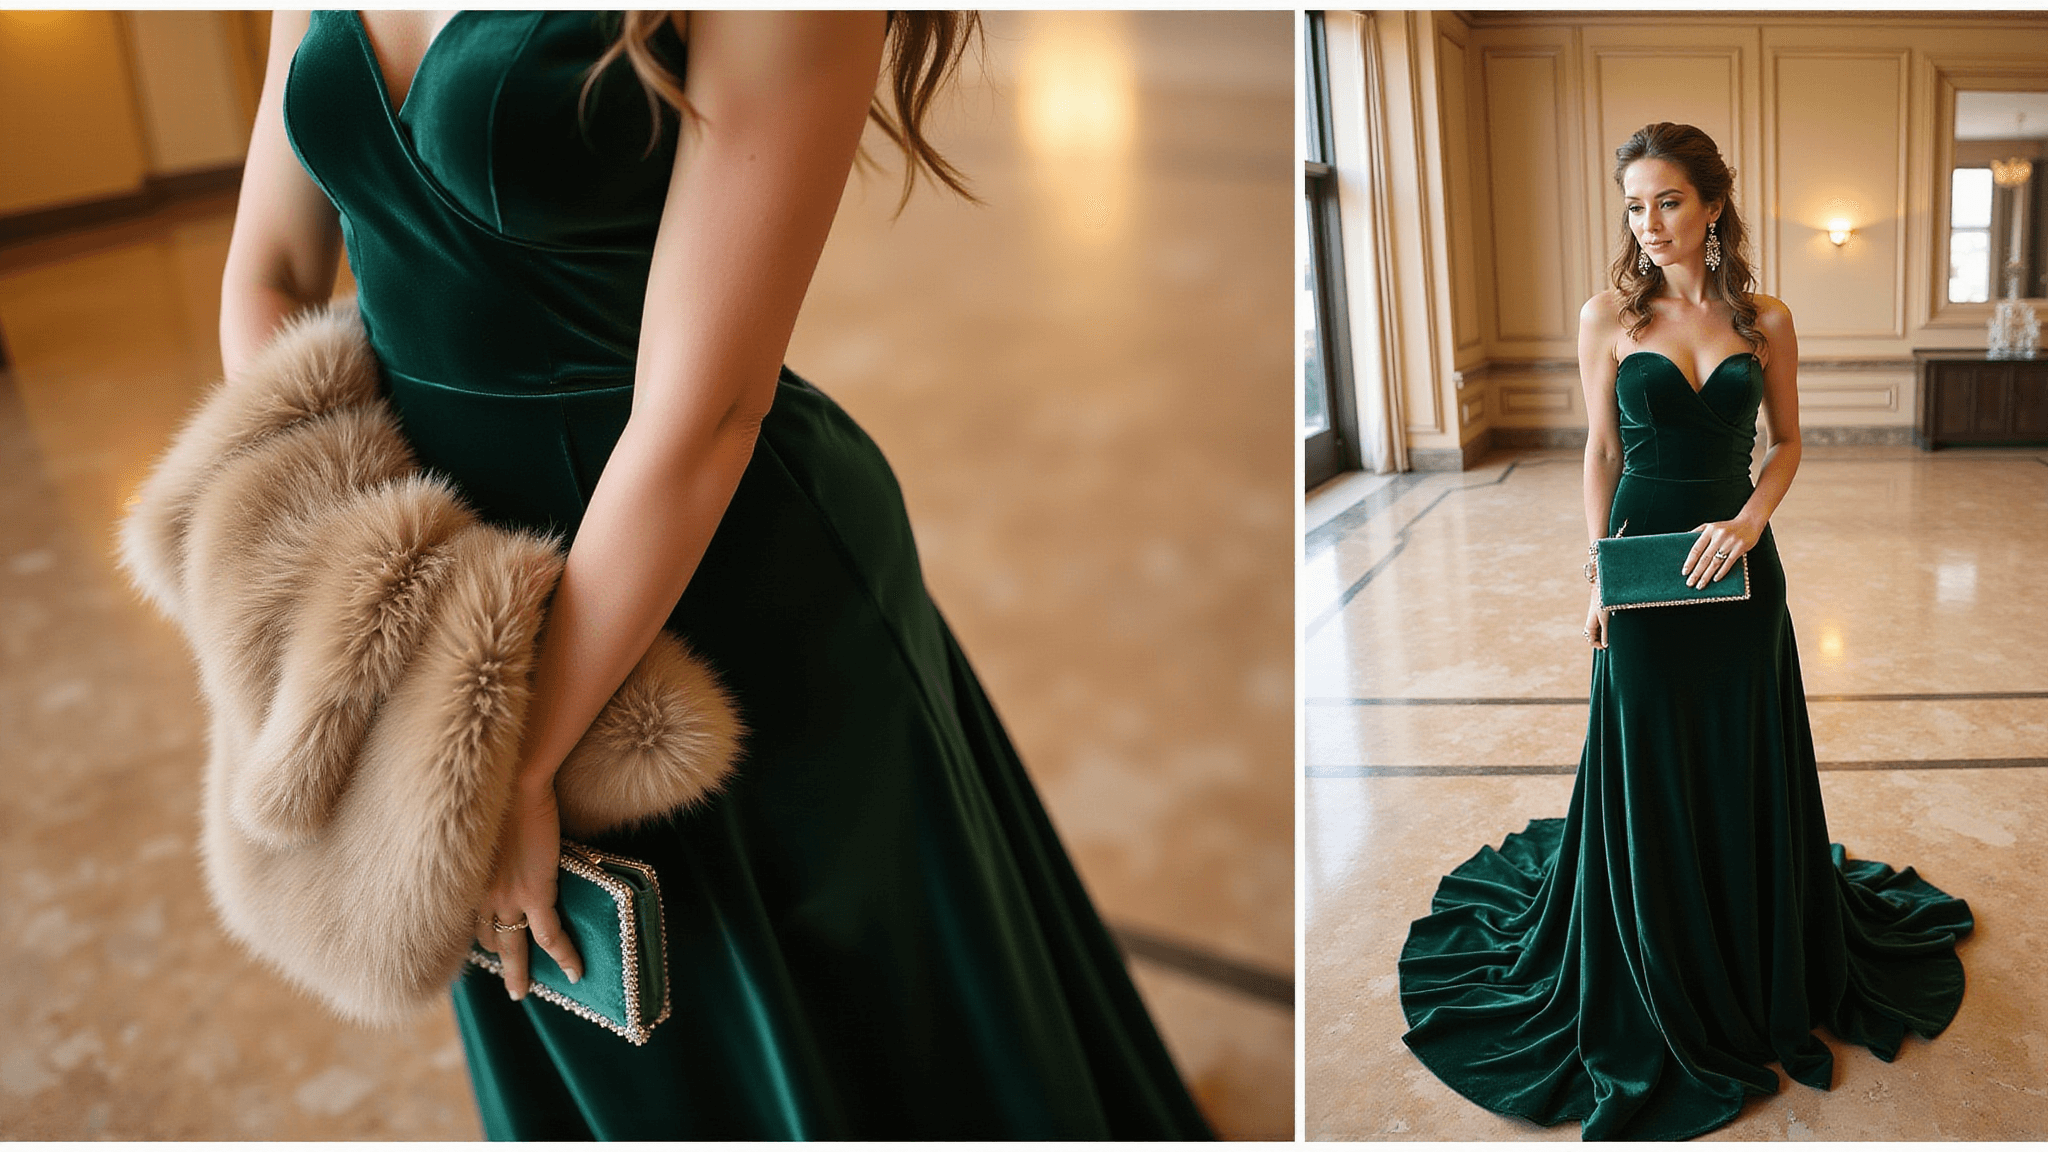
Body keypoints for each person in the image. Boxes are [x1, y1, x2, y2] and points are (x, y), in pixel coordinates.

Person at [219, 10, 1212, 1139]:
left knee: (825, 1027)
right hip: (438, 591)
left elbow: (704, 415)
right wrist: (373, 587)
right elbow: (269, 271)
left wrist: (506, 753)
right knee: (566, 1002)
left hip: (712, 595)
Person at [1395, 122, 1974, 1140]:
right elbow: (1598, 455)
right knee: (1648, 756)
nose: (1647, 224)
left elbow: (1788, 441)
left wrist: (1751, 520)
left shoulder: (1765, 318)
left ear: (1710, 204)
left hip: (1743, 579)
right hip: (1641, 573)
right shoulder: (1606, 318)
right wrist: (1597, 579)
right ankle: (1653, 952)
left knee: (1736, 756)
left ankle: (1748, 947)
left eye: (1665, 201)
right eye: (1631, 205)